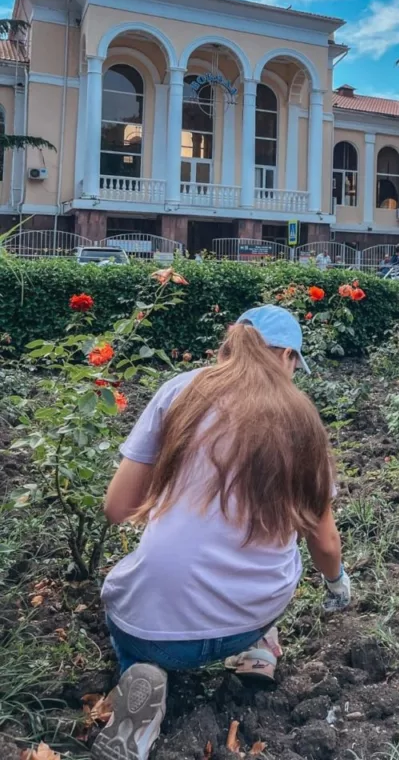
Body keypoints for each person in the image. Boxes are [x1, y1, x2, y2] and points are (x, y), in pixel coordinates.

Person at [93, 306, 351, 760]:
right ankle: (258, 646)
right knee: (279, 556)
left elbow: (117, 508)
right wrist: (337, 586)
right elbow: (325, 543)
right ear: (288, 355)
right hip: (253, 611)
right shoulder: (302, 418)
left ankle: (141, 680)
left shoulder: (181, 391)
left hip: (153, 631)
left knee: (126, 589)